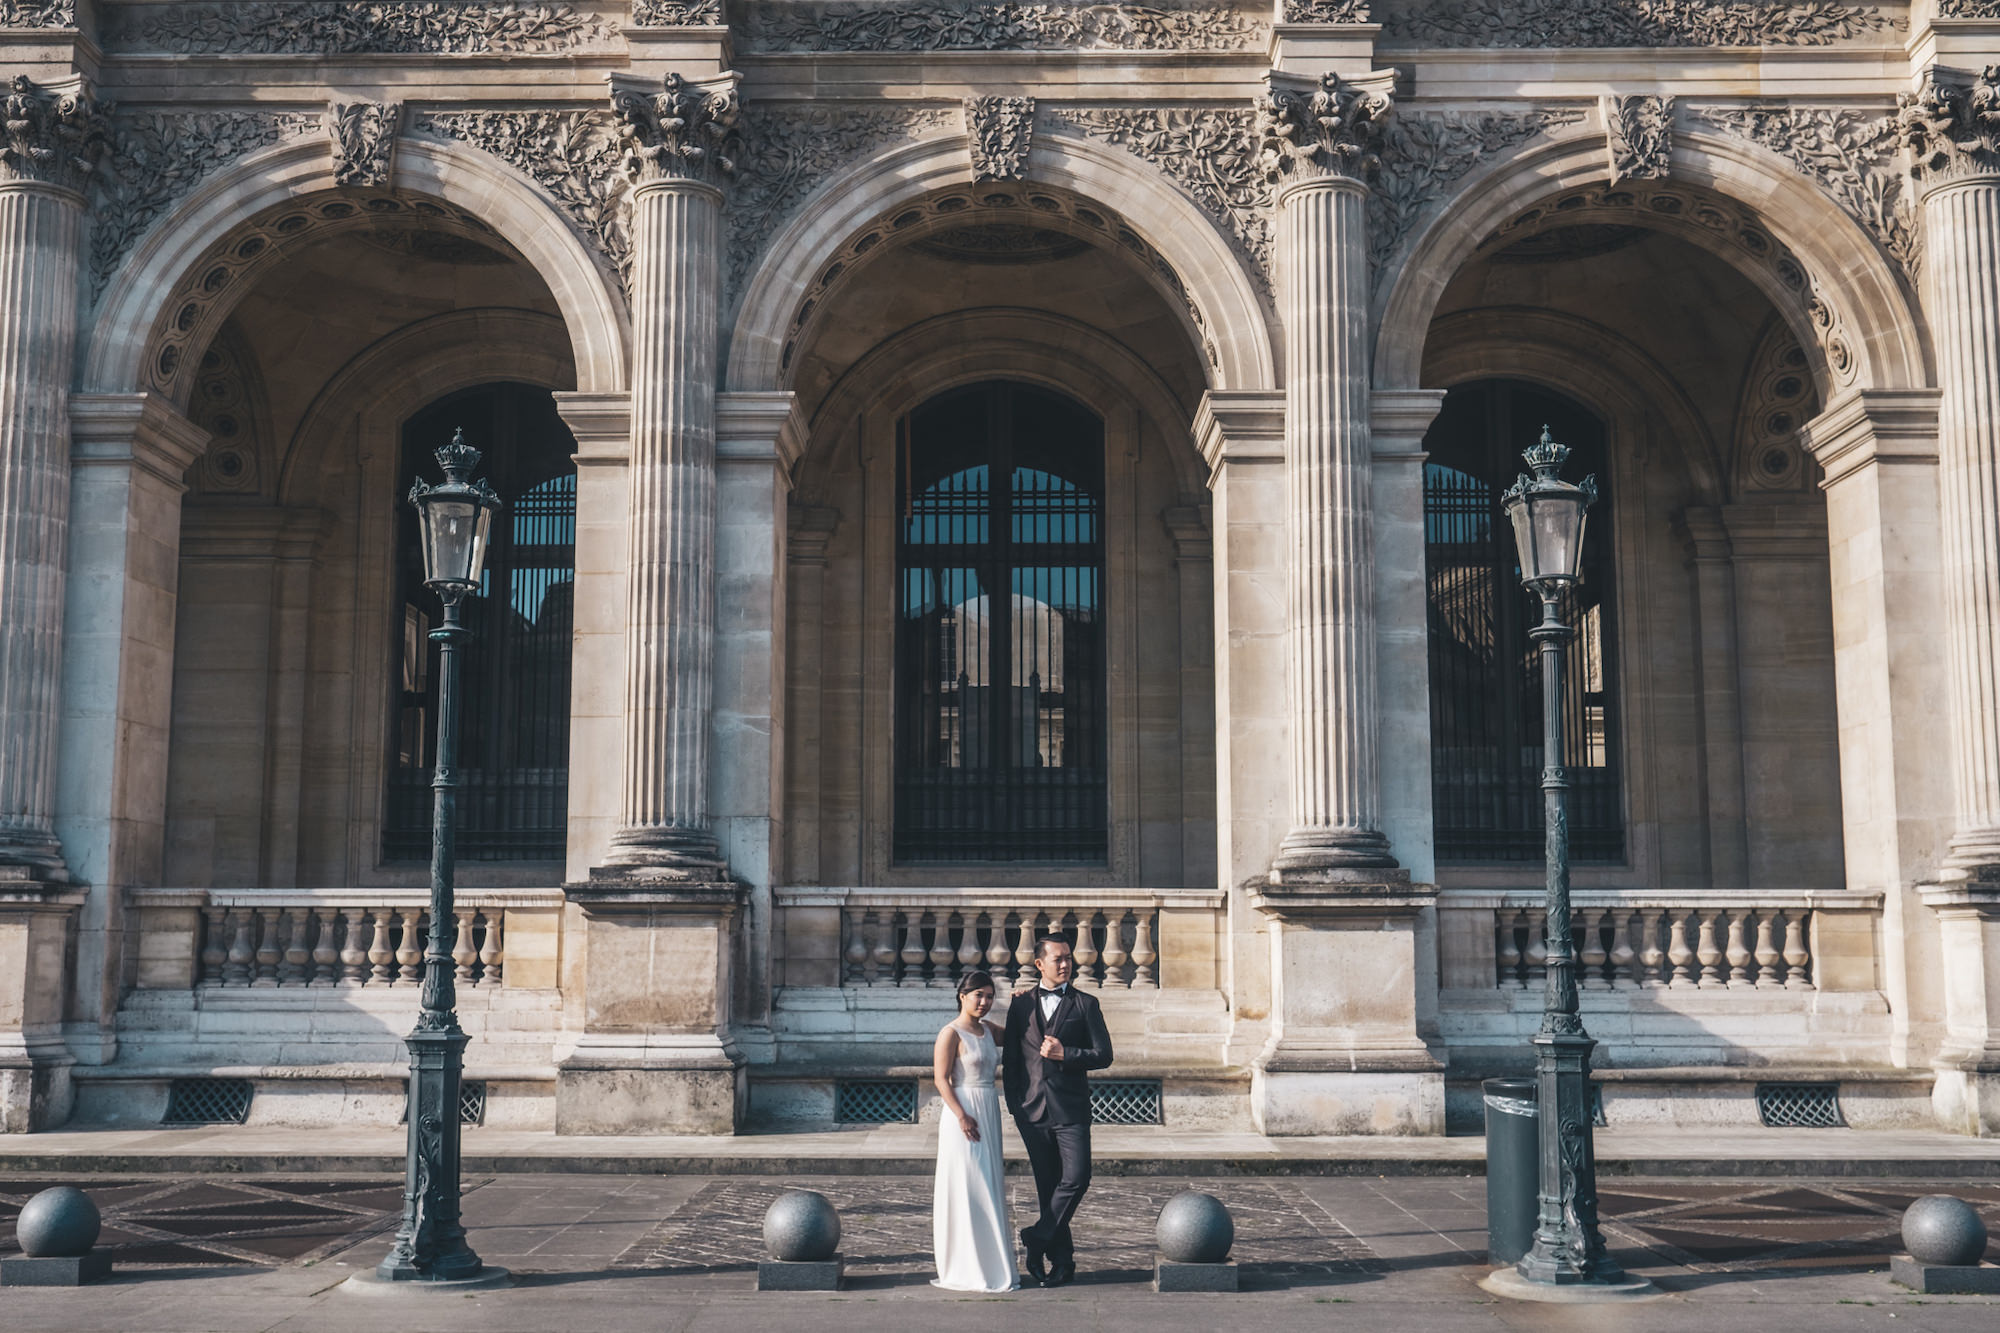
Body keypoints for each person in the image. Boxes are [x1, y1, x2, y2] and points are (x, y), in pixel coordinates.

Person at [1001, 934, 1113, 1288]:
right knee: (1049, 1189)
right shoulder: (1021, 1006)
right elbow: (1012, 1060)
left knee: (1077, 1178)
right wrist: (1017, 1108)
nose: (1065, 964)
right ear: (1039, 965)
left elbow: (1104, 1054)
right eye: (1057, 959)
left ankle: (1037, 1237)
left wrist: (1069, 1055)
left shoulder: (1086, 1005)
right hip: (1032, 1113)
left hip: (1072, 1110)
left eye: (1068, 958)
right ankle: (1062, 1262)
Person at [931, 970, 1016, 1292]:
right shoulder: (950, 1033)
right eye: (978, 995)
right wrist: (961, 1116)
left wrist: (1022, 1002)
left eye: (990, 996)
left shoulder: (988, 1030)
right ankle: (965, 1265)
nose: (984, 1002)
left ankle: (991, 1262)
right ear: (962, 996)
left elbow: (1020, 1034)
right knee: (968, 1184)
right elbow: (940, 1078)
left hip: (988, 1106)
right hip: (963, 1111)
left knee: (989, 1182)